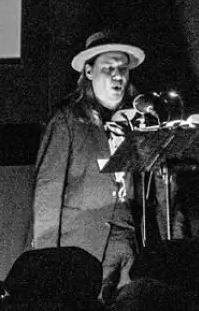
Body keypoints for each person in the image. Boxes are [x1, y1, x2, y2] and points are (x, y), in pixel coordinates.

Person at [30, 31, 147, 302]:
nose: (118, 76)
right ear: (89, 71)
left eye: (123, 69)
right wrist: (46, 258)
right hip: (81, 242)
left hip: (128, 238)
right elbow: (47, 192)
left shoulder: (137, 122)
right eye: (109, 68)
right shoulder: (67, 122)